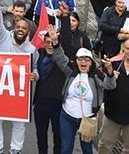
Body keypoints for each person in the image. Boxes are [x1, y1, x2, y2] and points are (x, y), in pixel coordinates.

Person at [47, 26, 115, 154]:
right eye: (80, 59)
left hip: (87, 119)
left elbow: (110, 85)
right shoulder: (71, 71)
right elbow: (60, 58)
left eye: (86, 59)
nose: (83, 62)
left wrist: (110, 72)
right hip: (67, 116)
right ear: (76, 61)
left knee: (87, 149)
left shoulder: (97, 75)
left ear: (91, 62)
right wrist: (55, 42)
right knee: (66, 148)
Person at [0, 0, 39, 154]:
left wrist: (35, 75)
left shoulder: (32, 50)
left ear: (28, 31)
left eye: (24, 29)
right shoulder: (4, 37)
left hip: (19, 92)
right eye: (18, 27)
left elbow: (35, 68)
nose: (20, 30)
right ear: (15, 27)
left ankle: (15, 150)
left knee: (19, 123)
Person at [97, 39, 129, 154]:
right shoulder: (114, 64)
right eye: (128, 48)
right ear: (123, 49)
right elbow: (106, 86)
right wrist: (110, 72)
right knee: (104, 145)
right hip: (112, 115)